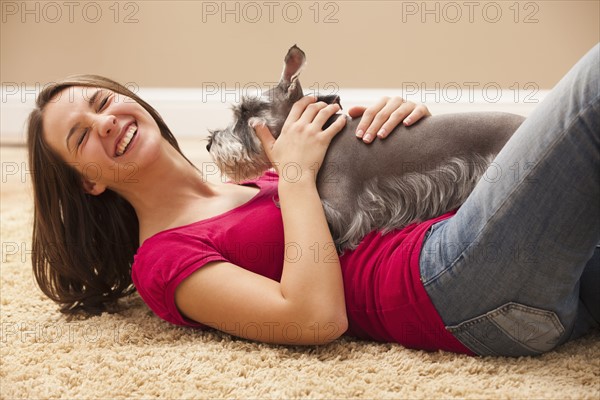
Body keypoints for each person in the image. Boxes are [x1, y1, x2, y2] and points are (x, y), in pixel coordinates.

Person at [27, 43, 599, 357]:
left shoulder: (258, 180)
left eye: (103, 103)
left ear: (131, 101)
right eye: (80, 136)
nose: (105, 124)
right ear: (87, 181)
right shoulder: (162, 258)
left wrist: (406, 133)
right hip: (452, 285)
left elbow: (376, 185)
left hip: (552, 284)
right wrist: (297, 175)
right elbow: (312, 318)